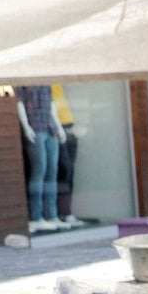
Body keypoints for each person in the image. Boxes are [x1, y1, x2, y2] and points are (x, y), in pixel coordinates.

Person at [16, 85, 67, 233]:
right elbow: (19, 104)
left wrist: (59, 127)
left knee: (52, 172)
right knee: (40, 170)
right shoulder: (23, 83)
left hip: (50, 129)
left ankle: (52, 215)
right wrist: (26, 127)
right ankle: (36, 217)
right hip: (35, 127)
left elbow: (51, 107)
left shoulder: (46, 84)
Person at [52, 84, 86, 228]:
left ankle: (67, 212)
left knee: (70, 172)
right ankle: (61, 212)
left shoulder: (65, 83)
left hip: (71, 127)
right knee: (64, 171)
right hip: (57, 129)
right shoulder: (46, 82)